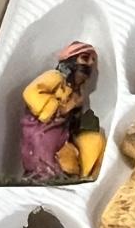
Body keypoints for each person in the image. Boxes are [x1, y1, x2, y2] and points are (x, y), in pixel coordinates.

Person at [19, 42, 98, 181]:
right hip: (42, 128)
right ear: (71, 62)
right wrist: (56, 108)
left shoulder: (76, 90)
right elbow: (31, 92)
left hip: (61, 131)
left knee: (66, 160)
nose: (89, 64)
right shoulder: (55, 77)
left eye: (92, 61)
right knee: (43, 157)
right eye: (85, 58)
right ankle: (42, 176)